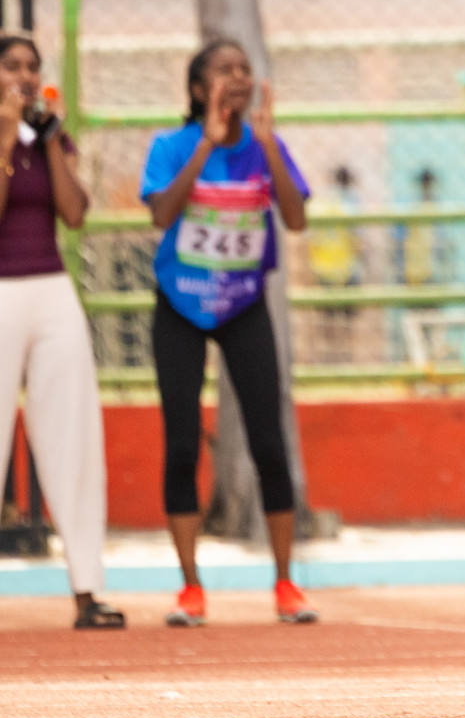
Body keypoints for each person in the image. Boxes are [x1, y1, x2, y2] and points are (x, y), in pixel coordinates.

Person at [139, 39, 319, 627]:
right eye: (223, 70)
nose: (238, 77)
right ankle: (191, 589)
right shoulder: (172, 146)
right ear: (198, 89)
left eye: (245, 68)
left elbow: (294, 220)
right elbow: (162, 215)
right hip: (181, 305)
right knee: (183, 444)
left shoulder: (266, 145)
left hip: (243, 304)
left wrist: (266, 147)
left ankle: (287, 583)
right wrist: (207, 148)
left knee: (269, 442)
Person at [0, 33, 124, 630]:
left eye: (32, 67)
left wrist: (49, 140)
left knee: (74, 436)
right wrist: (4, 134)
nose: (24, 75)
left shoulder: (48, 136)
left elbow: (75, 214)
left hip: (51, 290)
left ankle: (86, 589)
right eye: (11, 67)